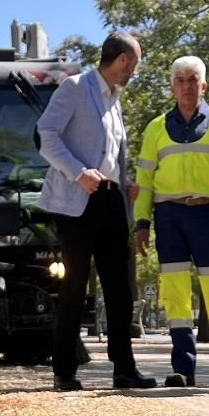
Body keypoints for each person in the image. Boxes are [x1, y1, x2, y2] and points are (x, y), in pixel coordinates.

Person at [36, 32, 156, 392]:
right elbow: (45, 135)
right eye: (133, 65)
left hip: (110, 200)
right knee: (74, 285)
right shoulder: (75, 88)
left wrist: (126, 181)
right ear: (121, 60)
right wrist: (78, 172)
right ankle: (65, 371)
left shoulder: (114, 101)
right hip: (76, 201)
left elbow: (111, 153)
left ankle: (124, 370)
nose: (133, 72)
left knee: (120, 286)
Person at [134, 56, 209, 388]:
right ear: (171, 87)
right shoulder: (155, 129)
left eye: (192, 79)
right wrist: (141, 222)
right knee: (175, 293)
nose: (186, 86)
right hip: (168, 217)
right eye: (180, 80)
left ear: (204, 85)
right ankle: (183, 368)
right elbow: (144, 180)